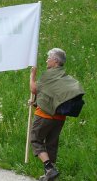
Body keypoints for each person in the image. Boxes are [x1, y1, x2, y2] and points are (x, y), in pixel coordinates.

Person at [30, 48, 83, 181]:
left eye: (49, 57)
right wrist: (36, 101)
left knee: (36, 140)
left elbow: (34, 89)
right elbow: (52, 96)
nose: (47, 60)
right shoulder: (63, 77)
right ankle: (50, 176)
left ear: (55, 61)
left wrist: (32, 76)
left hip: (44, 116)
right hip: (59, 118)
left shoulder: (49, 74)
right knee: (51, 144)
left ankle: (49, 168)